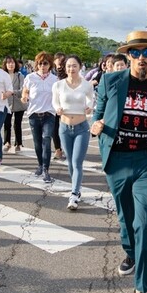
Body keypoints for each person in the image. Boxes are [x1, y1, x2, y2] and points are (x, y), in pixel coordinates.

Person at [91, 29, 147, 293]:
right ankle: (129, 250)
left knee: (145, 224)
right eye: (135, 53)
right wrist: (94, 126)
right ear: (127, 56)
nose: (141, 58)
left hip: (146, 160)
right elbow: (97, 113)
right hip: (118, 159)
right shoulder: (110, 81)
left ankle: (142, 289)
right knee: (125, 218)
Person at [52, 55, 94, 210]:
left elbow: (91, 98)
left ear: (80, 67)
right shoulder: (58, 85)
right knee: (70, 161)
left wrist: (89, 106)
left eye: (74, 65)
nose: (71, 68)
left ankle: (74, 194)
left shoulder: (86, 85)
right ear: (64, 68)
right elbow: (55, 101)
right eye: (68, 66)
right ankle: (76, 187)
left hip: (81, 127)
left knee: (77, 162)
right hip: (64, 127)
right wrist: (57, 108)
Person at [21, 52, 58, 182]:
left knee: (46, 140)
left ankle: (46, 170)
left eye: (45, 63)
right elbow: (25, 91)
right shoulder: (30, 77)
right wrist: (24, 97)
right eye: (40, 63)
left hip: (49, 114)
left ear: (50, 65)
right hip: (34, 114)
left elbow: (59, 95)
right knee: (37, 143)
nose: (43, 66)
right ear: (37, 64)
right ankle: (40, 165)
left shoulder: (54, 79)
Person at [2, 55, 26, 154]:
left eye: (12, 62)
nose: (11, 64)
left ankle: (18, 143)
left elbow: (22, 90)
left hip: (18, 103)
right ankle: (7, 142)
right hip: (6, 103)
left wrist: (11, 92)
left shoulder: (20, 76)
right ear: (5, 64)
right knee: (7, 124)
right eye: (8, 63)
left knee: (17, 124)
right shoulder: (2, 76)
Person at [52, 52, 67, 161]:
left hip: (66, 105)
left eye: (62, 61)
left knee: (65, 128)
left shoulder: (67, 72)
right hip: (53, 104)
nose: (59, 63)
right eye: (58, 60)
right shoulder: (50, 72)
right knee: (54, 128)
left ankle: (66, 148)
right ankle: (58, 149)